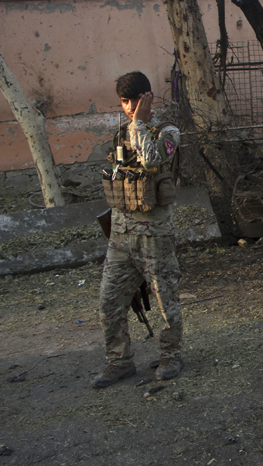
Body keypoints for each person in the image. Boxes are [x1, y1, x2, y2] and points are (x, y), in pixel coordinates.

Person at [91, 71, 183, 388]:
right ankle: (119, 362)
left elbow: (152, 161)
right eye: (124, 102)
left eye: (134, 101)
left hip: (154, 236)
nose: (129, 107)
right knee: (109, 303)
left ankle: (171, 356)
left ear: (148, 98)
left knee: (164, 302)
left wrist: (139, 124)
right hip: (121, 237)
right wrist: (133, 127)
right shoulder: (122, 134)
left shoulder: (167, 132)